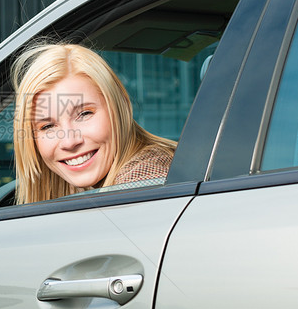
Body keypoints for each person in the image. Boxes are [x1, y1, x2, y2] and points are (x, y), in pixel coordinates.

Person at [11, 42, 177, 204]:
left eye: (84, 114)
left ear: (121, 107)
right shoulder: (93, 188)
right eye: (47, 126)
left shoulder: (144, 180)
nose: (70, 142)